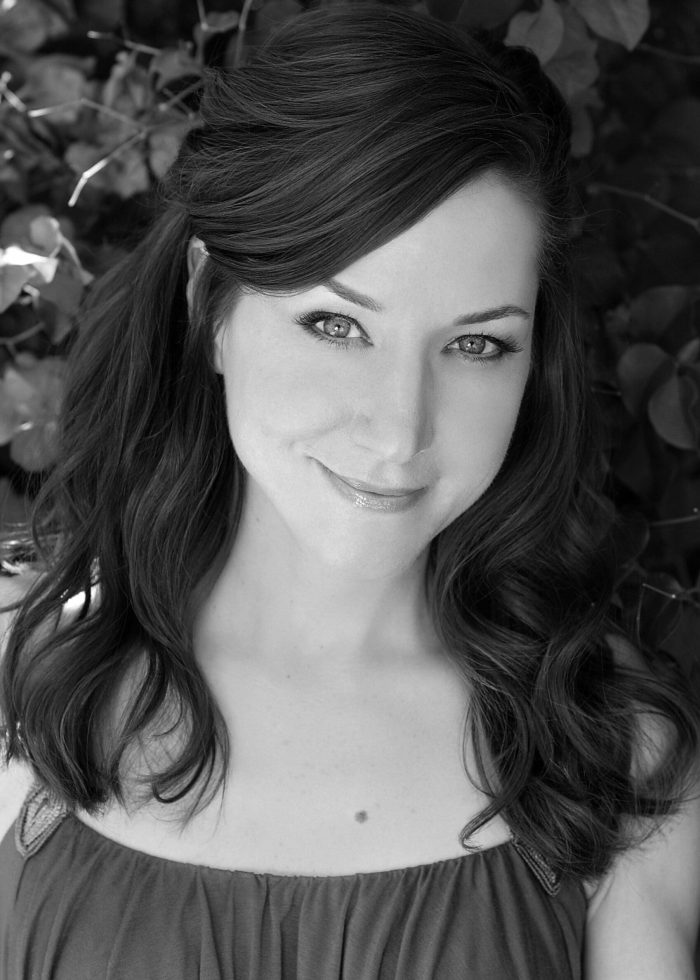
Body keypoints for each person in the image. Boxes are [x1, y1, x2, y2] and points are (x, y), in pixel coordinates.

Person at [0, 4, 698, 978]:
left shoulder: (610, 753)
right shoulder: (19, 674)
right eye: (336, 325)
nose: (397, 428)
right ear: (212, 305)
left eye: (475, 343)